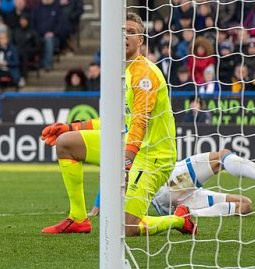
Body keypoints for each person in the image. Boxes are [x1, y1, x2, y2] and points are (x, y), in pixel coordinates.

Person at [39, 12, 195, 236]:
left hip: (153, 155)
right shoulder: (119, 73)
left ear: (140, 40)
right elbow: (115, 121)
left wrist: (126, 161)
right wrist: (71, 127)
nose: (125, 36)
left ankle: (179, 219)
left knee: (126, 227)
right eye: (122, 31)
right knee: (66, 143)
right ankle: (78, 219)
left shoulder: (144, 74)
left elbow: (140, 121)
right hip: (126, 145)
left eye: (131, 32)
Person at [151, 150, 255, 217]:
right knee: (221, 157)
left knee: (245, 205)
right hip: (165, 184)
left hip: (169, 203)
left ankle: (186, 214)